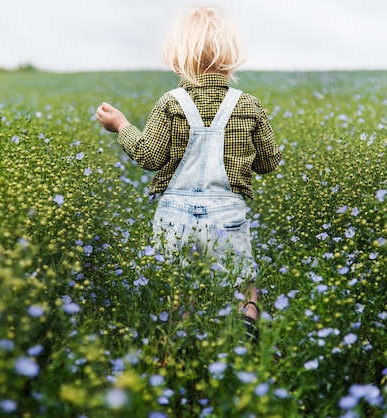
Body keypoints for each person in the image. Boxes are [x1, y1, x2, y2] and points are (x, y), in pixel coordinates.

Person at [95, 4, 282, 342]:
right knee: (242, 282)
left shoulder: (170, 102)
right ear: (233, 57)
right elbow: (267, 163)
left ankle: (182, 339)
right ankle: (248, 317)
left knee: (178, 287)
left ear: (178, 58)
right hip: (228, 215)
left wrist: (121, 125)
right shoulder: (250, 105)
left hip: (175, 217)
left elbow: (150, 156)